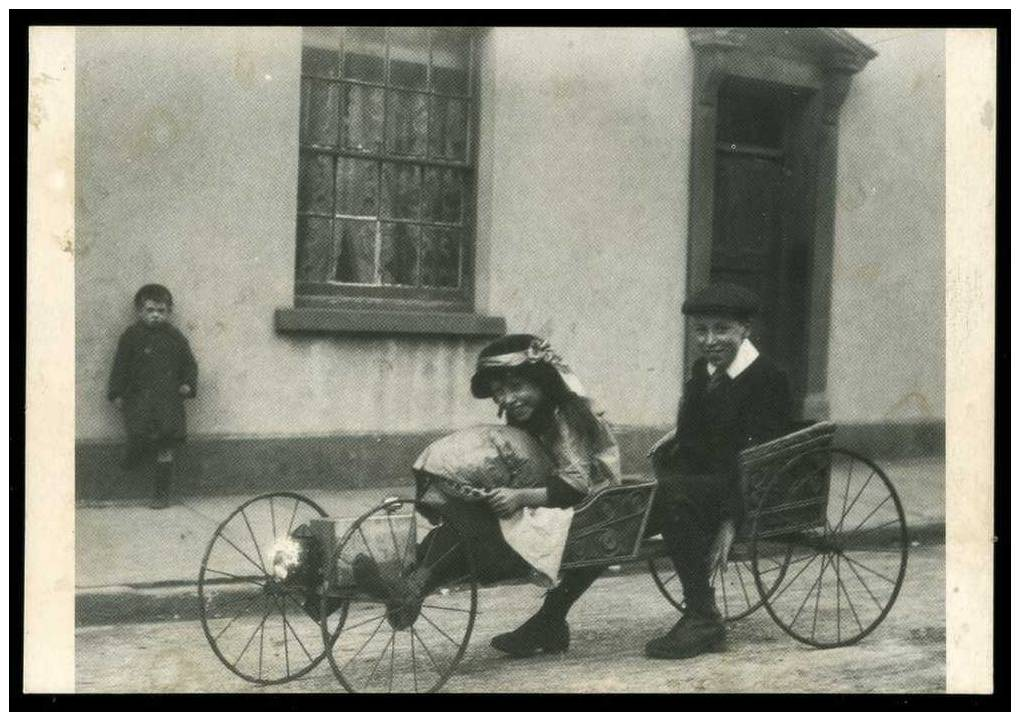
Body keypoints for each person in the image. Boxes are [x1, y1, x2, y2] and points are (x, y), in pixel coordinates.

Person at [350, 334, 622, 655]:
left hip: (586, 508)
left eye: (516, 387)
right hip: (545, 502)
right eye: (499, 393)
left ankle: (412, 588)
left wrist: (519, 498)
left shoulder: (567, 417)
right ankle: (411, 584)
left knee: (474, 525)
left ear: (544, 383)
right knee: (462, 516)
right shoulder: (529, 418)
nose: (507, 399)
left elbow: (575, 485)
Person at [643, 281, 792, 659]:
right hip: (705, 481)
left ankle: (702, 616)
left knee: (672, 497)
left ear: (746, 330)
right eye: (701, 330)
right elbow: (701, 429)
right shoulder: (703, 371)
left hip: (746, 485)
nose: (709, 340)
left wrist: (730, 520)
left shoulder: (767, 379)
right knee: (631, 505)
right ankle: (554, 614)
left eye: (721, 329)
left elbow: (760, 456)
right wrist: (678, 434)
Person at [107, 284, 198, 509]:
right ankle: (134, 452)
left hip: (168, 402)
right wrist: (116, 392)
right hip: (139, 400)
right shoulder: (131, 336)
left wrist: (188, 383)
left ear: (169, 312)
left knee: (165, 446)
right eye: (150, 310)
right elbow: (120, 365)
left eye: (161, 310)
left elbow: (189, 363)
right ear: (139, 311)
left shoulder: (175, 337)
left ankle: (161, 494)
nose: (156, 315)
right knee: (138, 434)